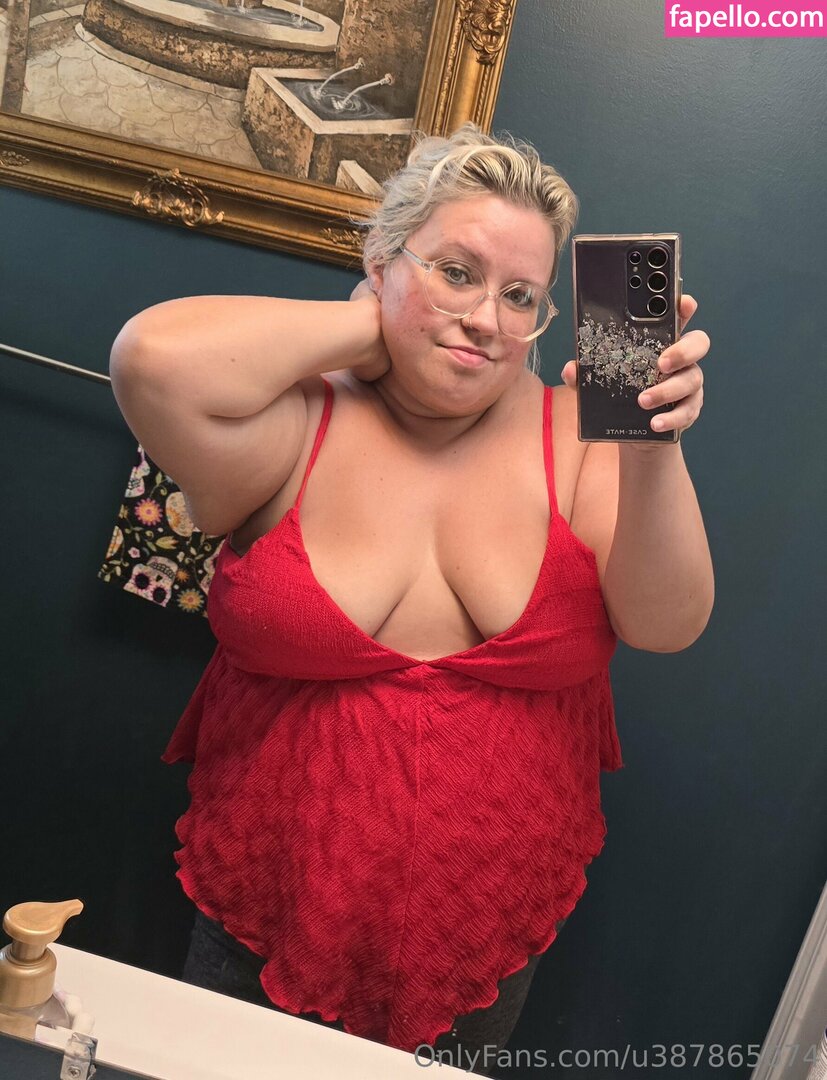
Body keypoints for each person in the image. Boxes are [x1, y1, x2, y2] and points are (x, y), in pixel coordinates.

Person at [109, 123, 714, 1076]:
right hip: (262, 906)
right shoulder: (293, 419)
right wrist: (377, 323)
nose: (486, 319)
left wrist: (653, 448)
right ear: (382, 260)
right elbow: (151, 358)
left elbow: (666, 624)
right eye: (456, 273)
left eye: (519, 296)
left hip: (483, 930)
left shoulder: (583, 437)